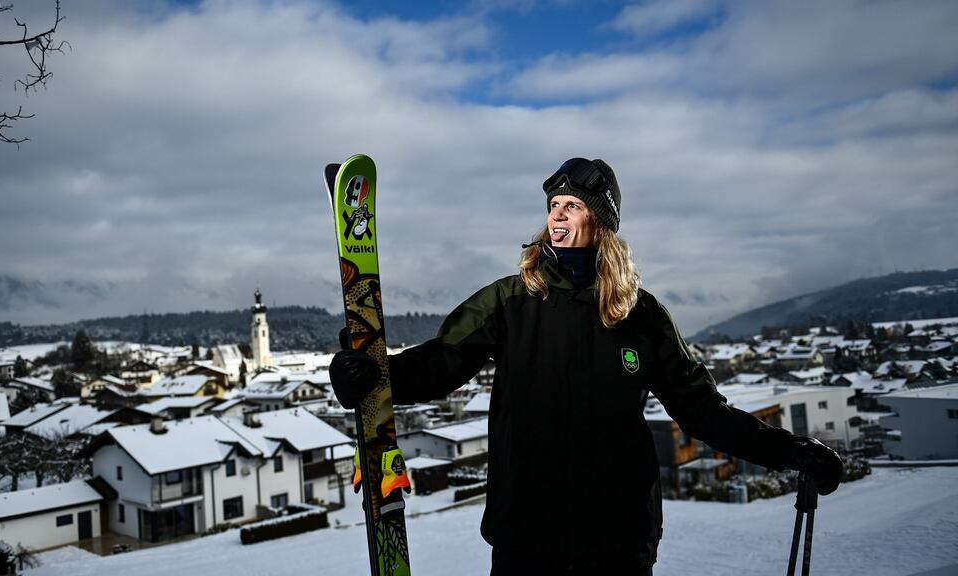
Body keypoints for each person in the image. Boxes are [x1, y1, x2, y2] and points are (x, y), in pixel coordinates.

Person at [330, 157, 844, 575]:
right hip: (526, 541)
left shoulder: (640, 315)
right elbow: (442, 361)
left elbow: (703, 410)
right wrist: (375, 375)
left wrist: (790, 450)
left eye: (571, 205)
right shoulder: (511, 301)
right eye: (553, 205)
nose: (556, 216)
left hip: (617, 544)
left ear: (599, 220)